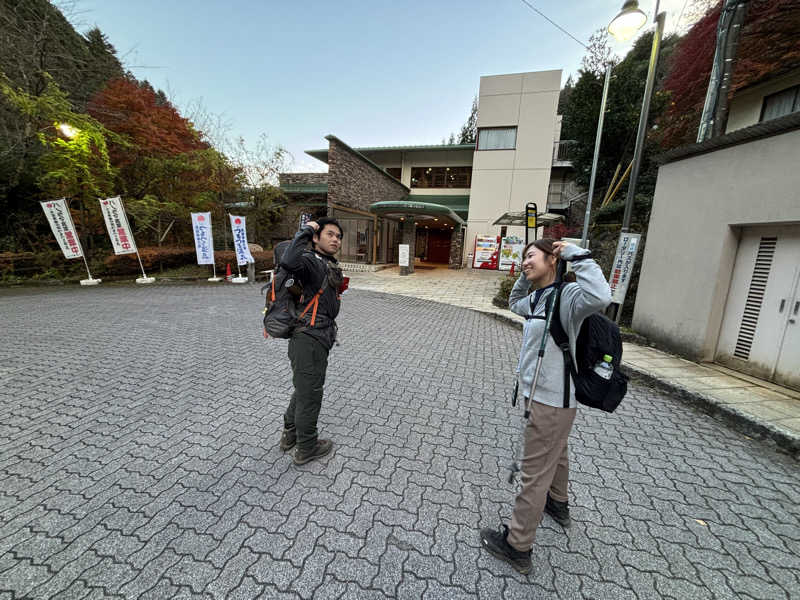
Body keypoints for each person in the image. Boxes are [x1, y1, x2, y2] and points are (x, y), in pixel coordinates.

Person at [479, 238, 612, 574]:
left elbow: (601, 296)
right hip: (543, 397)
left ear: (553, 260)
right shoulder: (537, 298)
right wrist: (526, 275)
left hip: (551, 400)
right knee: (558, 450)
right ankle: (558, 503)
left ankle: (518, 546)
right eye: (523, 257)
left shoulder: (568, 297)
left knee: (533, 471)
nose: (525, 261)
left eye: (531, 256)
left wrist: (576, 254)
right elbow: (513, 303)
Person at [277, 217, 345, 465]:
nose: (336, 239)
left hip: (318, 337)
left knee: (304, 388)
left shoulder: (324, 263)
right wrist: (307, 230)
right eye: (330, 234)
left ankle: (290, 434)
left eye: (338, 236)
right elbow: (288, 260)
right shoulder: (307, 260)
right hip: (308, 338)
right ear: (316, 238)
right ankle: (307, 446)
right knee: (311, 393)